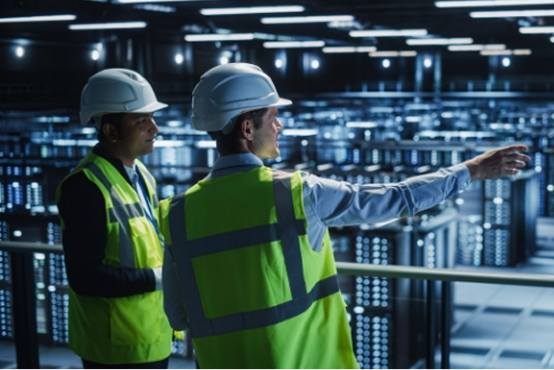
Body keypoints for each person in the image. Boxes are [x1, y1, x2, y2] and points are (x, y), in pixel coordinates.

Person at [160, 63, 530, 369]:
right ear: (246, 128)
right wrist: (471, 170)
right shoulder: (296, 192)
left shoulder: (177, 213)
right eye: (273, 117)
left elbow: (178, 317)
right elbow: (395, 199)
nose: (280, 126)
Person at [56, 68, 173, 368]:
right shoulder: (84, 187)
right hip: (114, 350)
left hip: (151, 338)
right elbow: (85, 277)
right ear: (110, 131)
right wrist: (158, 278)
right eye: (141, 120)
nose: (154, 128)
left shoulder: (142, 176)